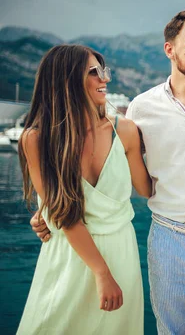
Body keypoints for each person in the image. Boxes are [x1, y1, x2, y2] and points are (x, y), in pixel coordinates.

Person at [31, 10, 185, 335]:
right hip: (167, 241)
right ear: (169, 50)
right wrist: (46, 209)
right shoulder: (141, 109)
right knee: (171, 331)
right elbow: (107, 172)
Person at [18, 44, 152, 334]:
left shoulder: (125, 130)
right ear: (66, 79)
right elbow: (65, 215)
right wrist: (102, 273)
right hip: (68, 255)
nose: (104, 79)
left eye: (104, 72)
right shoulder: (37, 139)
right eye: (94, 72)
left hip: (121, 253)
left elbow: (147, 189)